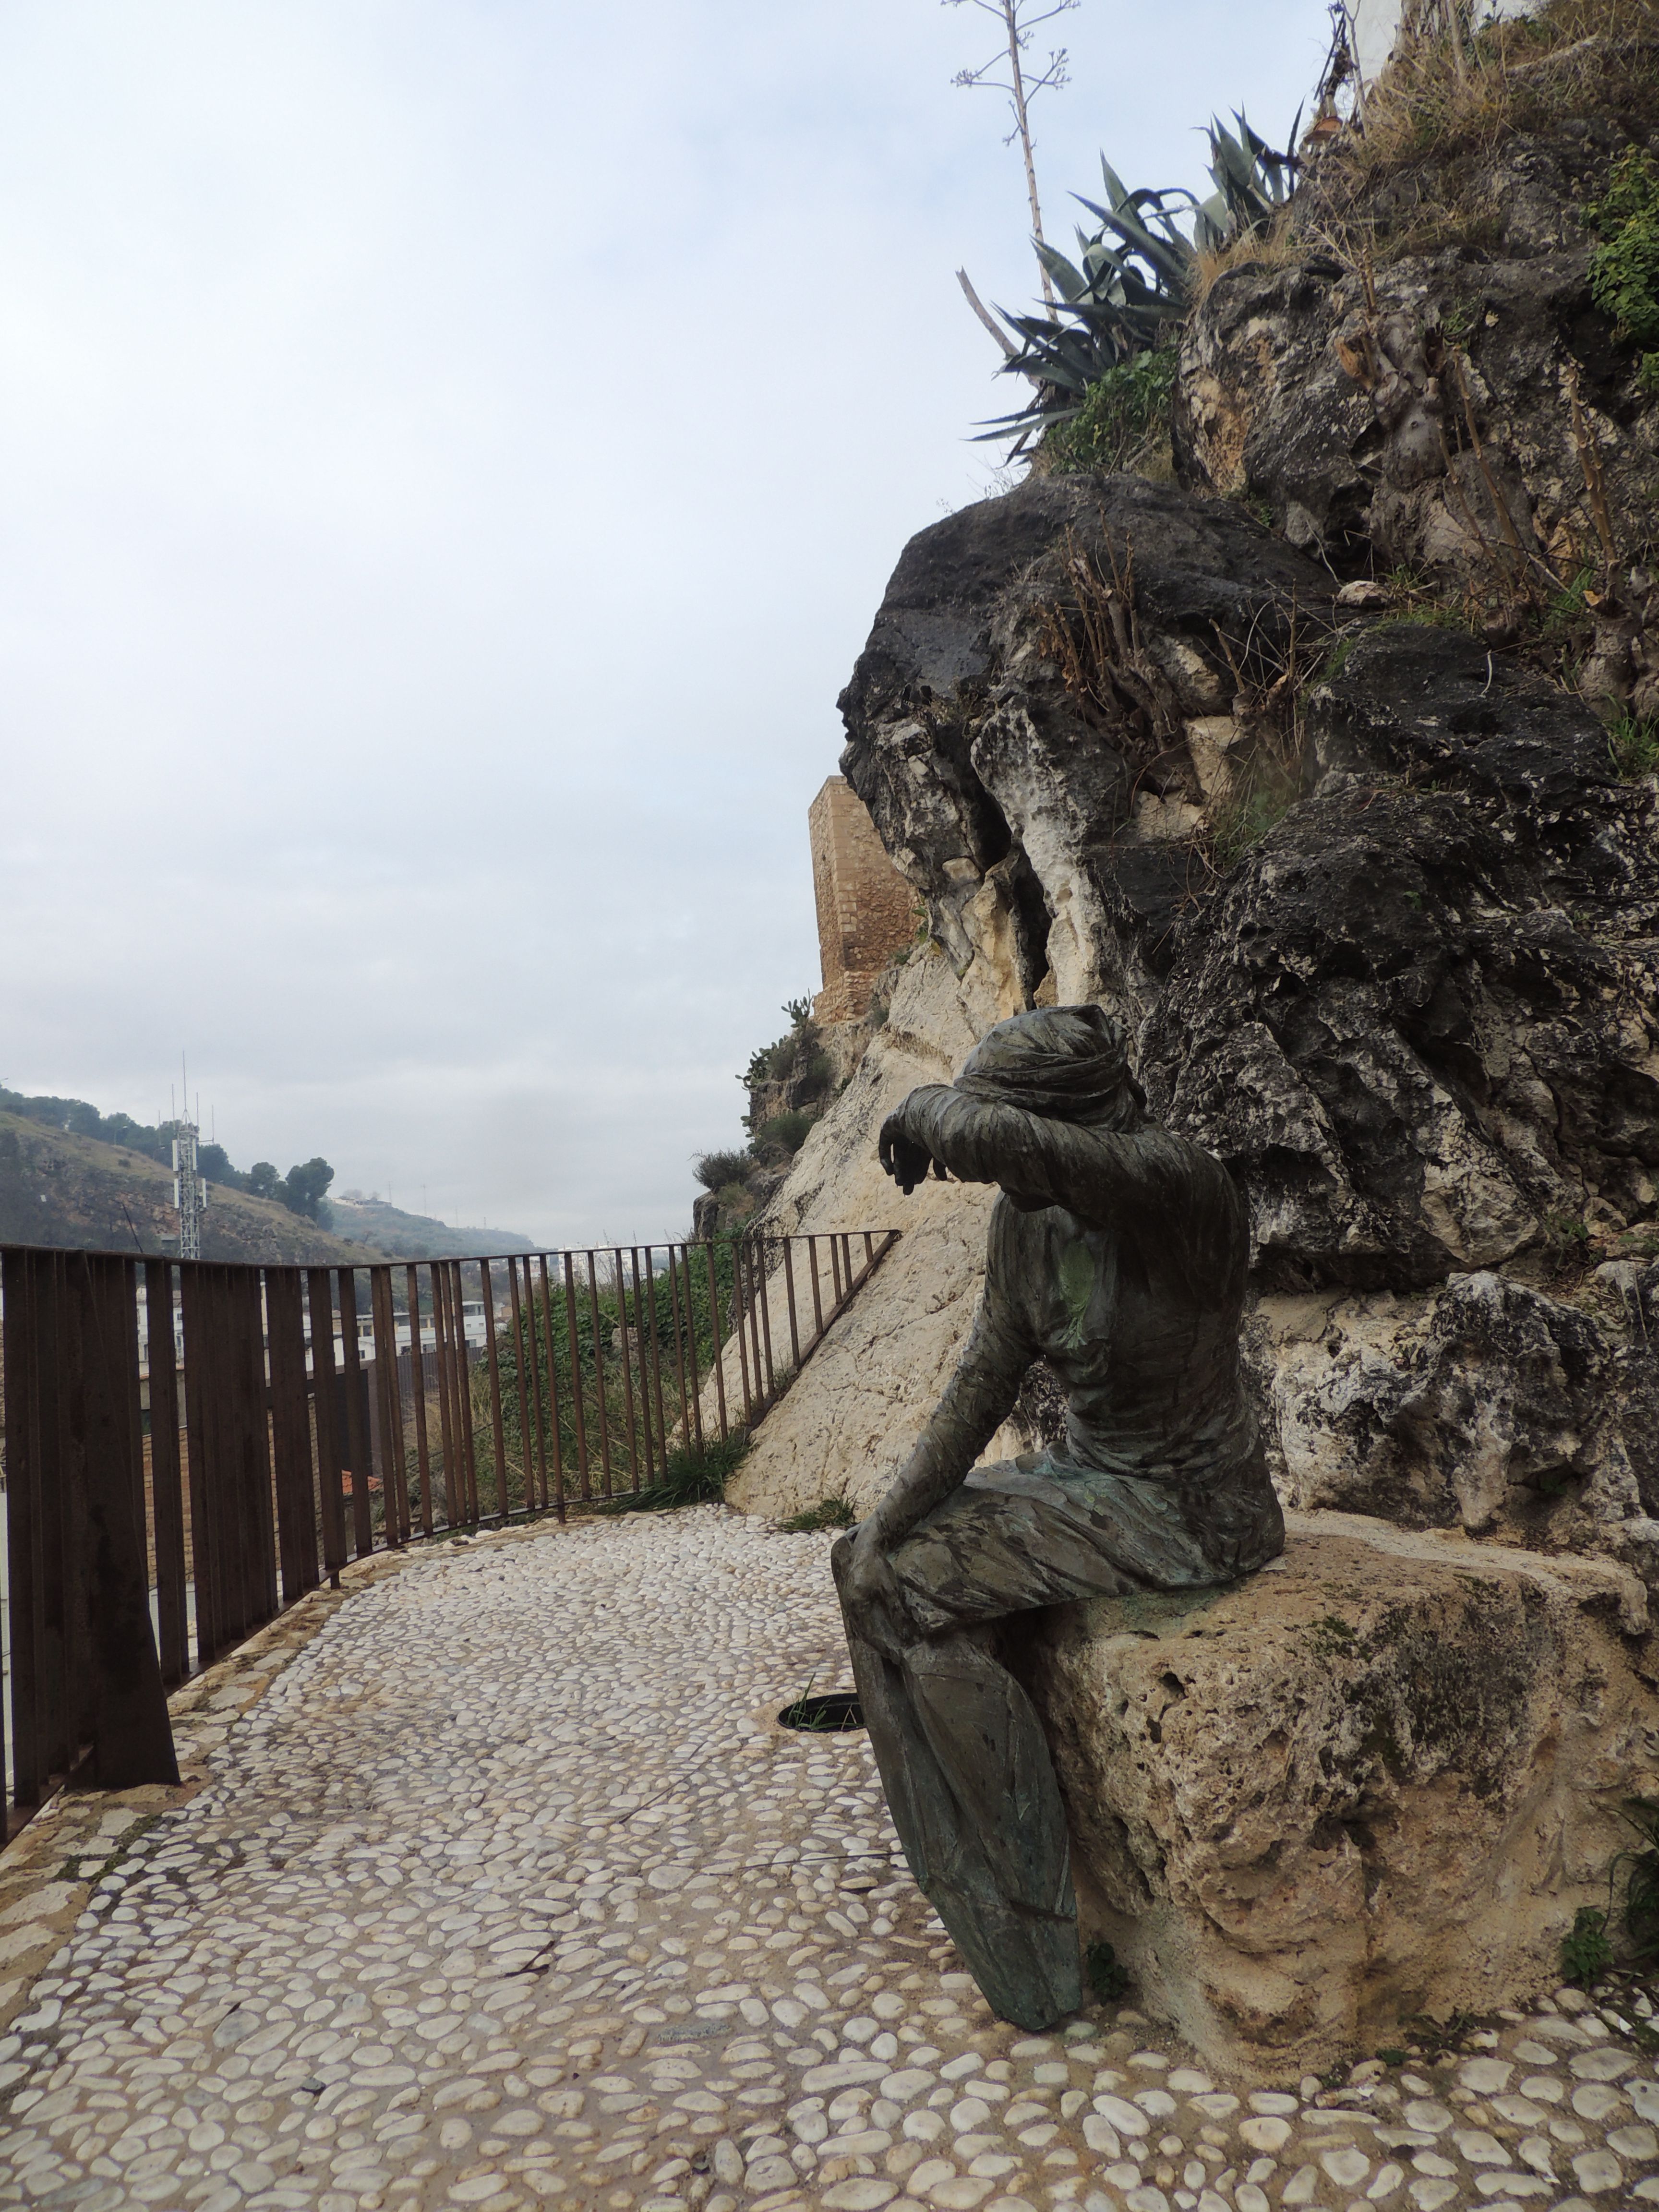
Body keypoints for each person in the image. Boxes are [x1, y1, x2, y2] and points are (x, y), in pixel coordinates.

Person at [832, 1003, 1283, 2031]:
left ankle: (1030, 1929)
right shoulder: (1027, 1223)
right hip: (1091, 1480)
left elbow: (1002, 1142)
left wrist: (917, 1107)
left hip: (1190, 1509)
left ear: (1081, 1128)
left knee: (909, 1589)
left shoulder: (1179, 1189)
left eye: (1024, 1144)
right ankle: (974, 1878)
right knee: (865, 1562)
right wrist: (891, 1517)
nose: (1006, 1178)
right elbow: (984, 1377)